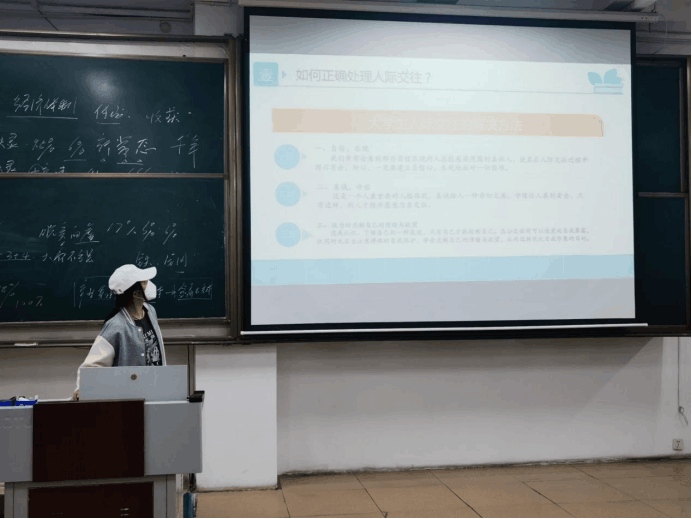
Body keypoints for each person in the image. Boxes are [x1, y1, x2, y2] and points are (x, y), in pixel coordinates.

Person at [72, 264, 167, 400]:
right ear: (136, 293)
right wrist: (82, 388)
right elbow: (92, 365)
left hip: (156, 389)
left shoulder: (150, 311)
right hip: (132, 398)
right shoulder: (116, 326)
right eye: (144, 282)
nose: (149, 284)